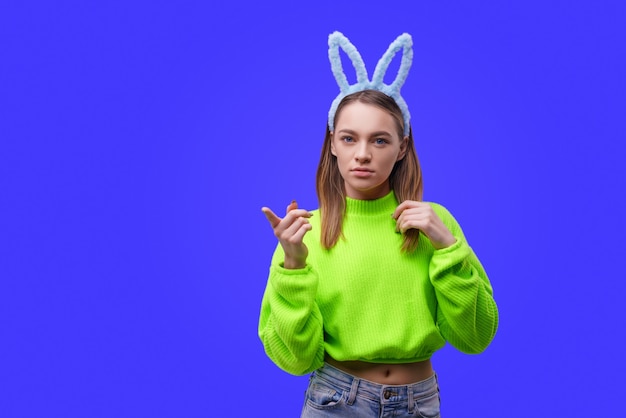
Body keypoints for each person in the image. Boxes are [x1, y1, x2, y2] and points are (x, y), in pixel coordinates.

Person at [259, 31, 498, 418]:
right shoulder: (304, 235)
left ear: (402, 147)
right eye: (350, 139)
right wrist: (293, 266)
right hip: (334, 401)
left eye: (380, 140)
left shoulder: (435, 223)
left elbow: (475, 338)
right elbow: (295, 361)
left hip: (418, 403)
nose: (363, 155)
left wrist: (447, 249)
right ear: (333, 143)